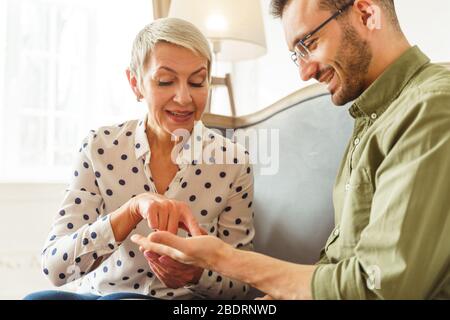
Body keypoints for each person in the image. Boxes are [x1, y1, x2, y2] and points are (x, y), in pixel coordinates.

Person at [131, 0, 450, 300]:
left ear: (366, 13)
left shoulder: (432, 107)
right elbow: (342, 268)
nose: (305, 72)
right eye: (296, 55)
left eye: (308, 43)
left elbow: (379, 287)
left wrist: (220, 257)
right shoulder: (373, 118)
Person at [24, 18, 255, 300]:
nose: (184, 98)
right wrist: (130, 211)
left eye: (197, 82)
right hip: (98, 295)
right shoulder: (99, 147)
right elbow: (55, 267)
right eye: (166, 81)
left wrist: (195, 275)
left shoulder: (232, 161)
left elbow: (244, 284)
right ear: (136, 84)